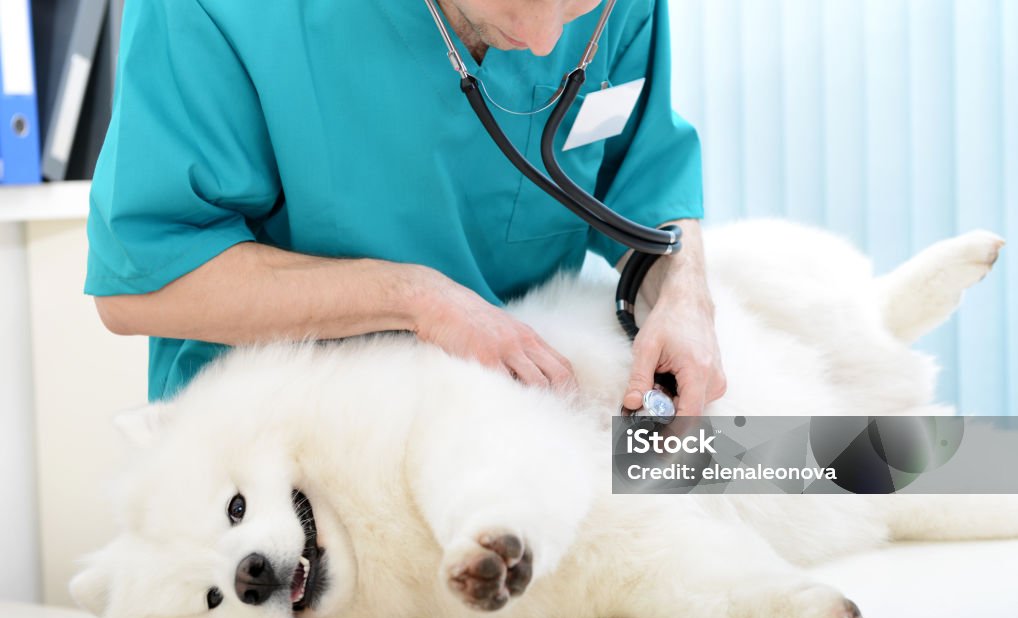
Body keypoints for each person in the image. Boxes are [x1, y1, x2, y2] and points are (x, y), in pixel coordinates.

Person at [86, 0, 726, 415]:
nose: (543, 39)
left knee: (795, 470)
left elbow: (644, 180)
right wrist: (418, 299)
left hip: (529, 405)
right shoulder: (222, 13)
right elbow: (143, 283)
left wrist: (685, 295)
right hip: (297, 439)